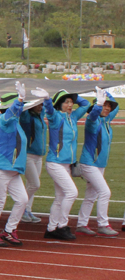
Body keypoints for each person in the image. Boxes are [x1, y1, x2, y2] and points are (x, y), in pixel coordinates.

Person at [37, 87, 89, 241]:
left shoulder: (72, 117)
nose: (70, 105)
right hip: (55, 163)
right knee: (72, 193)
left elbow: (85, 105)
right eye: (66, 102)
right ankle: (62, 225)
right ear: (59, 104)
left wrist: (73, 94)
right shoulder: (56, 118)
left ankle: (51, 228)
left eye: (72, 102)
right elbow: (49, 110)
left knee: (60, 198)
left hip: (67, 165)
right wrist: (47, 99)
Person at [0, 87, 31, 247]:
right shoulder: (3, 119)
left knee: (22, 199)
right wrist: (19, 101)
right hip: (0, 168)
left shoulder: (14, 122)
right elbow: (10, 114)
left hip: (12, 170)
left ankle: (9, 230)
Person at [75, 88, 118, 238]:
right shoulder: (92, 121)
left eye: (109, 106)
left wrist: (105, 92)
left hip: (99, 165)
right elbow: (93, 115)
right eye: (104, 105)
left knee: (91, 196)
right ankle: (103, 224)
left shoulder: (106, 120)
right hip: (89, 164)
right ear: (97, 107)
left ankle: (81, 224)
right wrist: (98, 103)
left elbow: (116, 107)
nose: (107, 108)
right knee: (105, 192)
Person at [19, 100, 47, 223]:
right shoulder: (26, 118)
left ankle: (27, 210)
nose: (41, 107)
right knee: (35, 184)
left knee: (31, 185)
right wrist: (24, 98)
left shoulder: (40, 115)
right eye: (38, 104)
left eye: (41, 104)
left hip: (38, 156)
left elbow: (47, 104)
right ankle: (21, 208)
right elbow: (22, 108)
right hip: (28, 155)